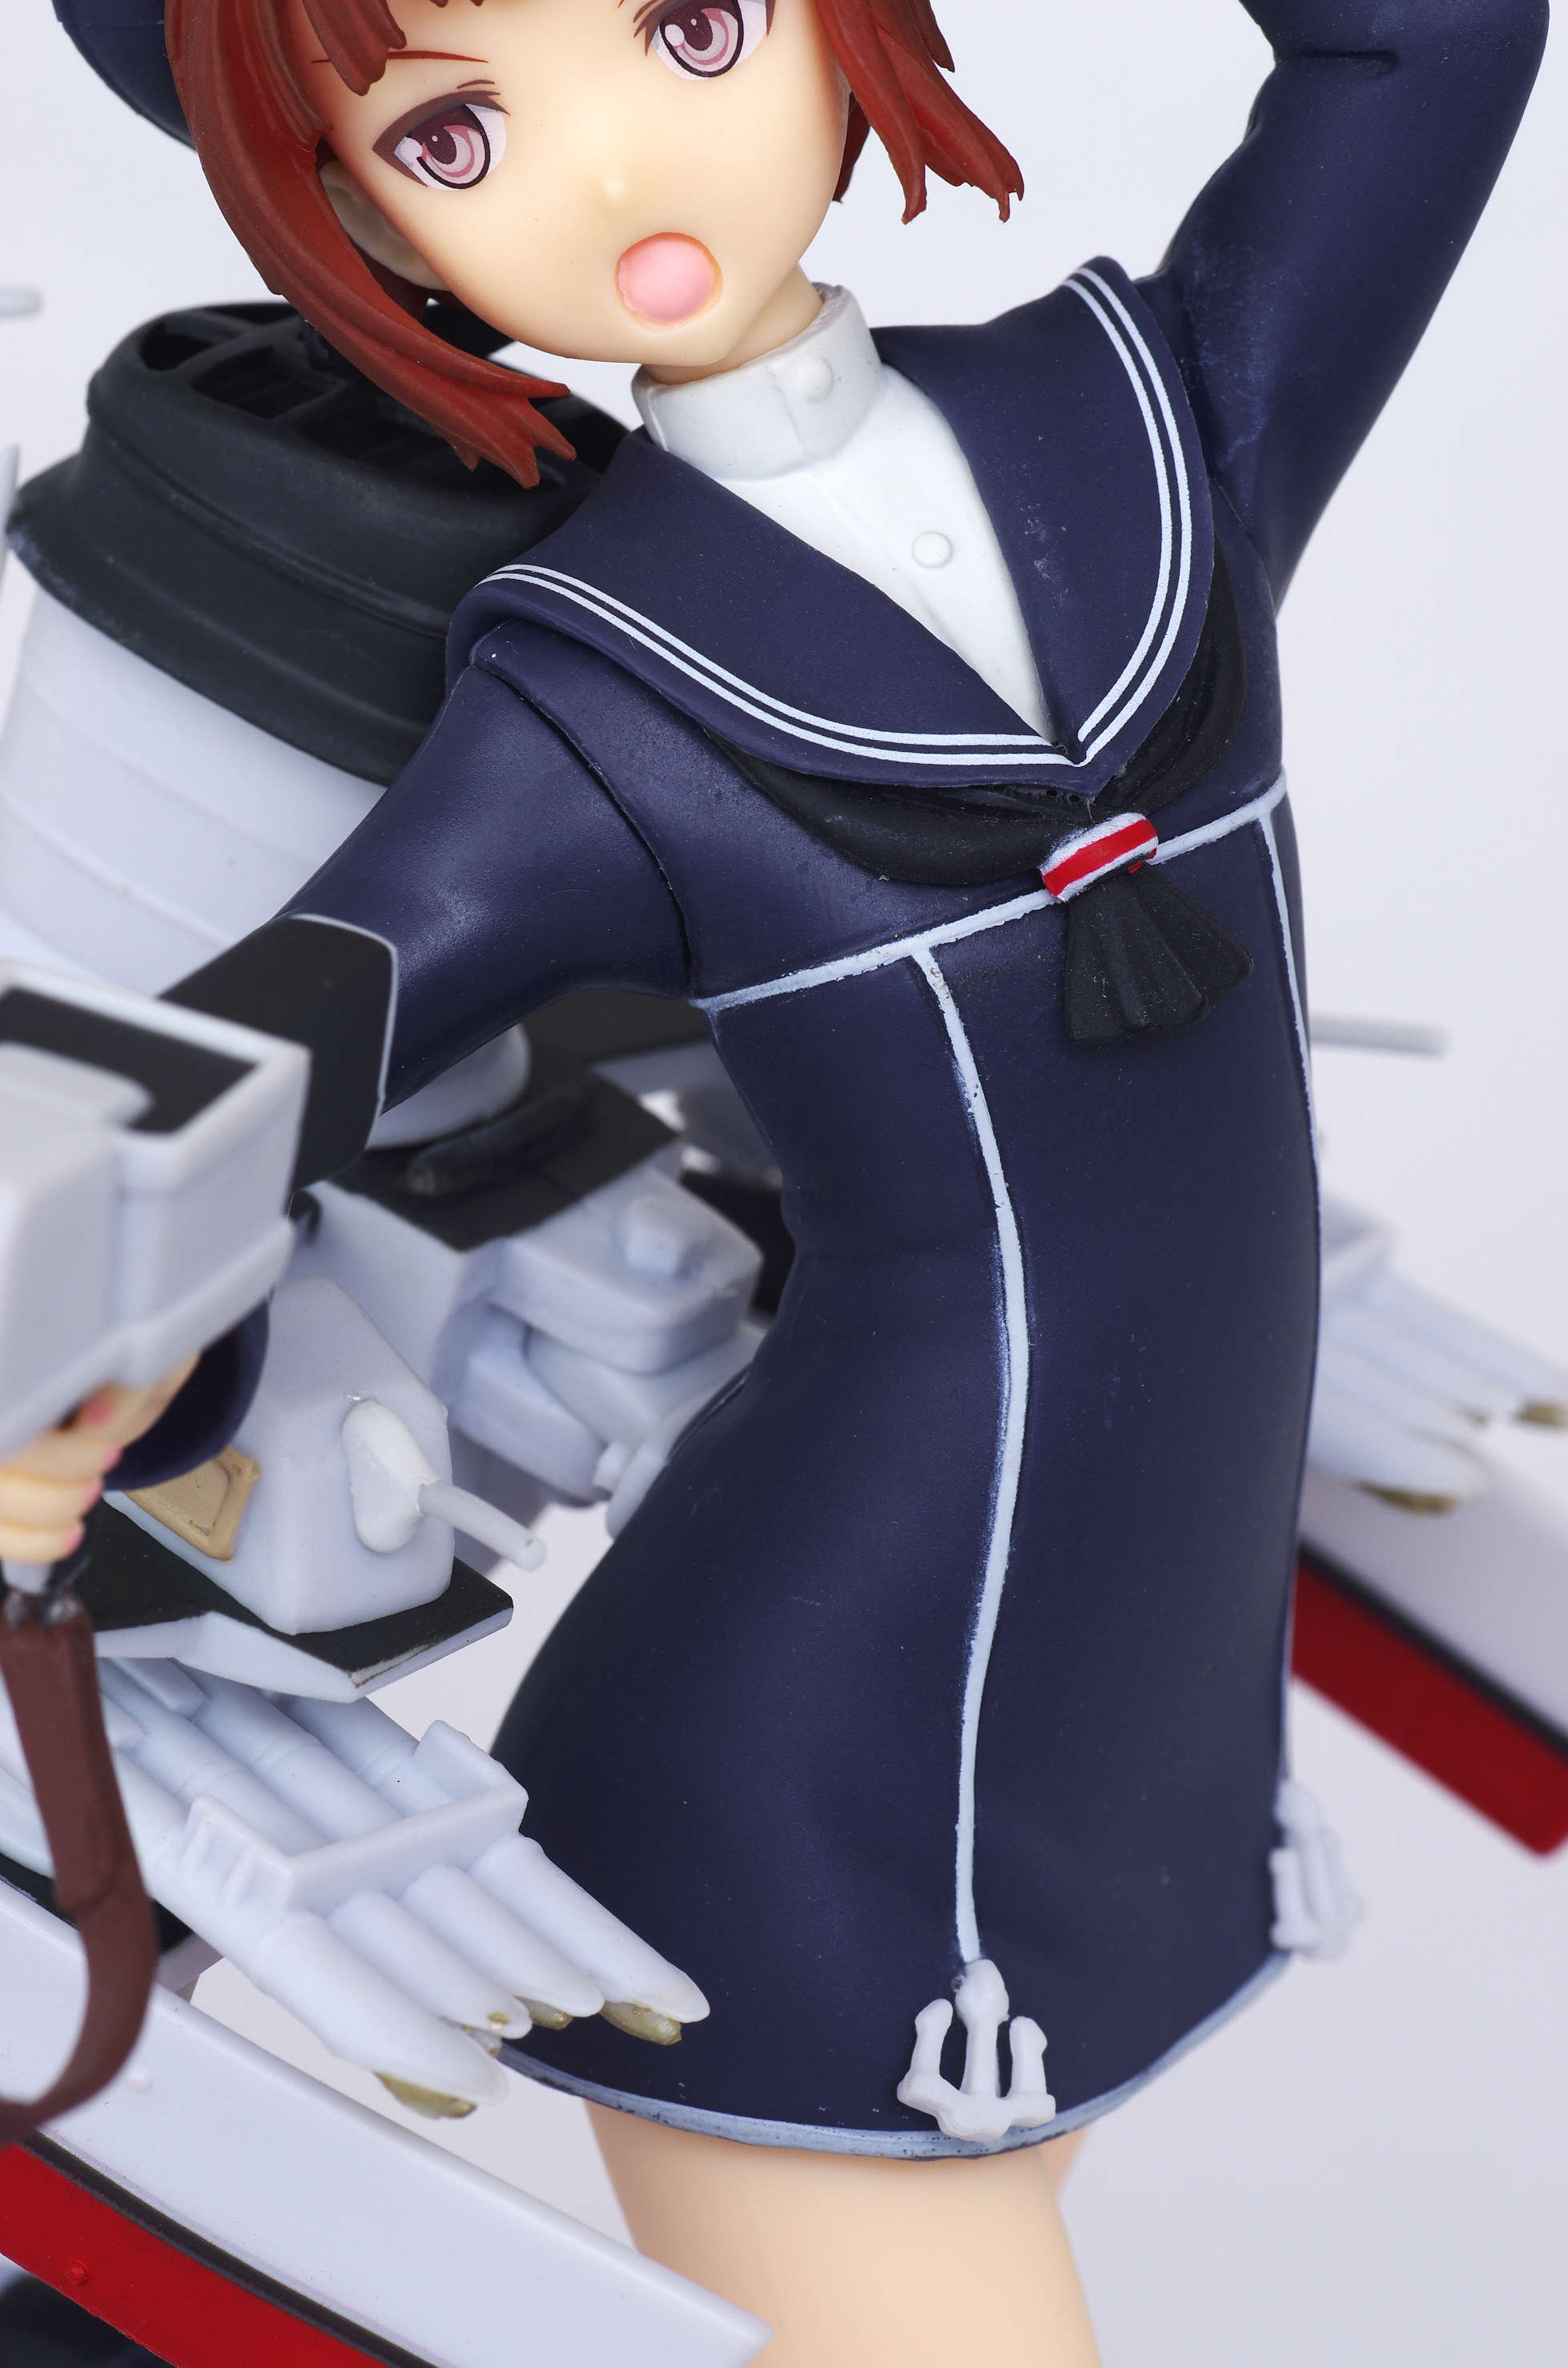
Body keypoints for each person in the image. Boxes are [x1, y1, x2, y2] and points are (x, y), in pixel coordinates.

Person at [1, 0, 1548, 2358]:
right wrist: (83, 1371)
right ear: (363, 223)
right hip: (819, 1773)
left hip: (1151, 1690)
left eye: (691, 25)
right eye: (456, 130)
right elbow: (275, 1043)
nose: (622, 169)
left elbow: (1425, 45)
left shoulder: (1154, 421)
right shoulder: (592, 695)